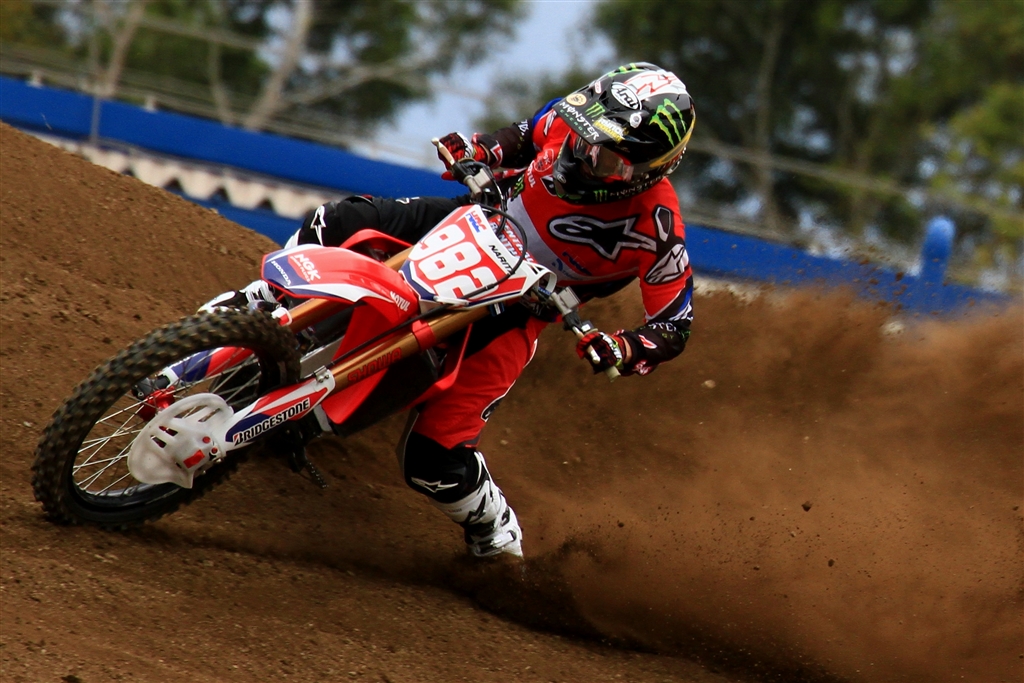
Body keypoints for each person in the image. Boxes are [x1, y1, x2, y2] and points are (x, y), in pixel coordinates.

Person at [208, 62, 696, 559]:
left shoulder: (656, 227)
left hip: (519, 305)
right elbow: (520, 137)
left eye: (607, 158)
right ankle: (255, 304)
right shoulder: (568, 120)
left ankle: (494, 529)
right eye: (585, 139)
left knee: (433, 457)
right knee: (343, 220)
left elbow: (674, 326)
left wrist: (623, 347)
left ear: (651, 169)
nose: (586, 158)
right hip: (474, 221)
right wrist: (477, 149)